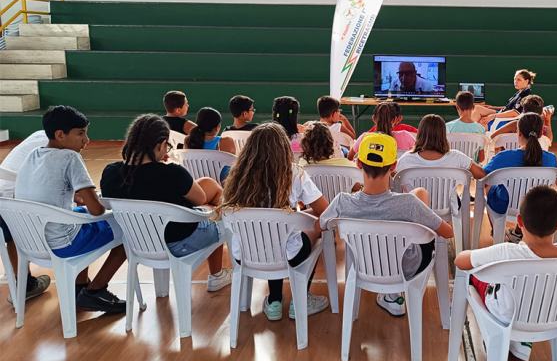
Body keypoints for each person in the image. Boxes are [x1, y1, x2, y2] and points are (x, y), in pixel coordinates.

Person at [316, 133, 454, 316]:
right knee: (420, 194)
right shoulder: (408, 204)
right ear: (394, 166)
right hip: (406, 269)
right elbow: (448, 232)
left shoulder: (342, 202)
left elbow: (320, 226)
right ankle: (395, 295)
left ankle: (389, 296)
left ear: (358, 163)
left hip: (363, 265)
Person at [455, 185, 557, 361]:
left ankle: (500, 339)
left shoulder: (507, 252)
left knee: (474, 276)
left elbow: (461, 260)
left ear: (520, 222)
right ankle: (521, 343)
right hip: (552, 315)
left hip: (507, 315)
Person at [100, 114, 232, 293]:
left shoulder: (110, 173)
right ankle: (216, 275)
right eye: (166, 146)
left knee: (206, 193)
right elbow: (201, 199)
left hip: (138, 241)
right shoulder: (173, 173)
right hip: (180, 241)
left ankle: (164, 289)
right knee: (214, 211)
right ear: (160, 144)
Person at [15, 106, 128, 313]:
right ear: (60, 135)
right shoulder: (70, 157)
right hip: (61, 243)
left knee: (77, 216)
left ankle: (79, 288)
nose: (87, 140)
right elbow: (96, 210)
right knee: (129, 229)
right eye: (81, 133)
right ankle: (96, 291)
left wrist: (77, 197)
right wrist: (102, 201)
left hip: (30, 241)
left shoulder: (33, 155)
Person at [220, 123, 330, 321]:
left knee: (271, 236)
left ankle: (275, 301)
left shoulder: (236, 176)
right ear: (284, 147)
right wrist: (303, 215)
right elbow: (325, 211)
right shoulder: (294, 173)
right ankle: (300, 300)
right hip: (288, 254)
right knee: (314, 229)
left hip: (244, 254)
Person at [483, 113, 557, 243]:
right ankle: (518, 233)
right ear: (541, 133)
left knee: (488, 184)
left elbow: (483, 176)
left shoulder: (504, 156)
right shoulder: (551, 159)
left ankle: (497, 231)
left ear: (518, 133)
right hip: (537, 207)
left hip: (505, 206)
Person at [0, 130, 51, 303]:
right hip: (13, 193)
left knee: (12, 238)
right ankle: (78, 284)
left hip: (3, 190)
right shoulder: (55, 150)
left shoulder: (38, 135)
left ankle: (23, 283)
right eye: (81, 134)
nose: (85, 140)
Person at [397, 114, 486, 180]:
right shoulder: (457, 157)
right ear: (443, 134)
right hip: (449, 206)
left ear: (420, 134)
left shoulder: (406, 159)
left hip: (414, 205)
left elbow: (394, 181)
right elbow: (481, 175)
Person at [349, 102, 416, 160]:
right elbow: (418, 155)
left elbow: (350, 158)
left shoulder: (364, 138)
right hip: (399, 174)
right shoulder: (405, 136)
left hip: (370, 174)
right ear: (395, 119)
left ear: (373, 118)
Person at [489, 94, 554, 150]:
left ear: (523, 111)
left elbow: (492, 137)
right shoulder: (543, 129)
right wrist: (548, 121)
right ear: (541, 112)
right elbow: (549, 141)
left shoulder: (515, 124)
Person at [446, 90, 490, 162]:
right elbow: (481, 158)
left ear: (457, 107)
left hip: (453, 168)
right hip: (471, 171)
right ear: (473, 107)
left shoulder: (448, 127)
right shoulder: (480, 129)